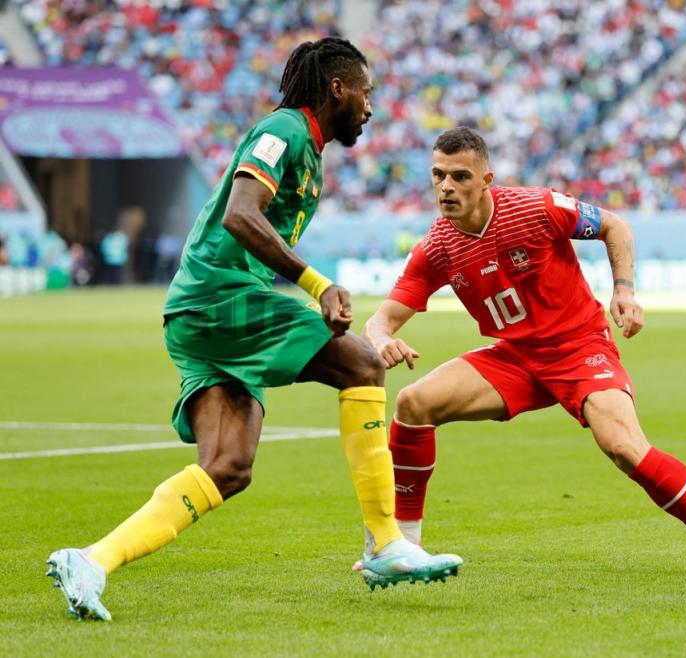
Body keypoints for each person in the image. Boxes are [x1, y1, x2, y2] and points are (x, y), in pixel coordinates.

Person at [45, 38, 461, 622]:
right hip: (222, 298)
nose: (371, 108)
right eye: (367, 94)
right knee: (362, 364)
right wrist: (319, 285)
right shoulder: (285, 130)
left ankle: (90, 560)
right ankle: (387, 542)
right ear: (337, 89)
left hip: (203, 315)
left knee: (229, 468)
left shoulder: (307, 151)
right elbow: (240, 214)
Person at [363, 127, 686, 582]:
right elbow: (380, 319)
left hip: (579, 347)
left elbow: (614, 225)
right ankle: (405, 545)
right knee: (412, 404)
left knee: (623, 446)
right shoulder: (438, 246)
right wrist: (382, 339)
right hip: (516, 357)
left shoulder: (534, 207)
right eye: (438, 175)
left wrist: (623, 291)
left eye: (460, 176)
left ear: (487, 180)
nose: (446, 187)